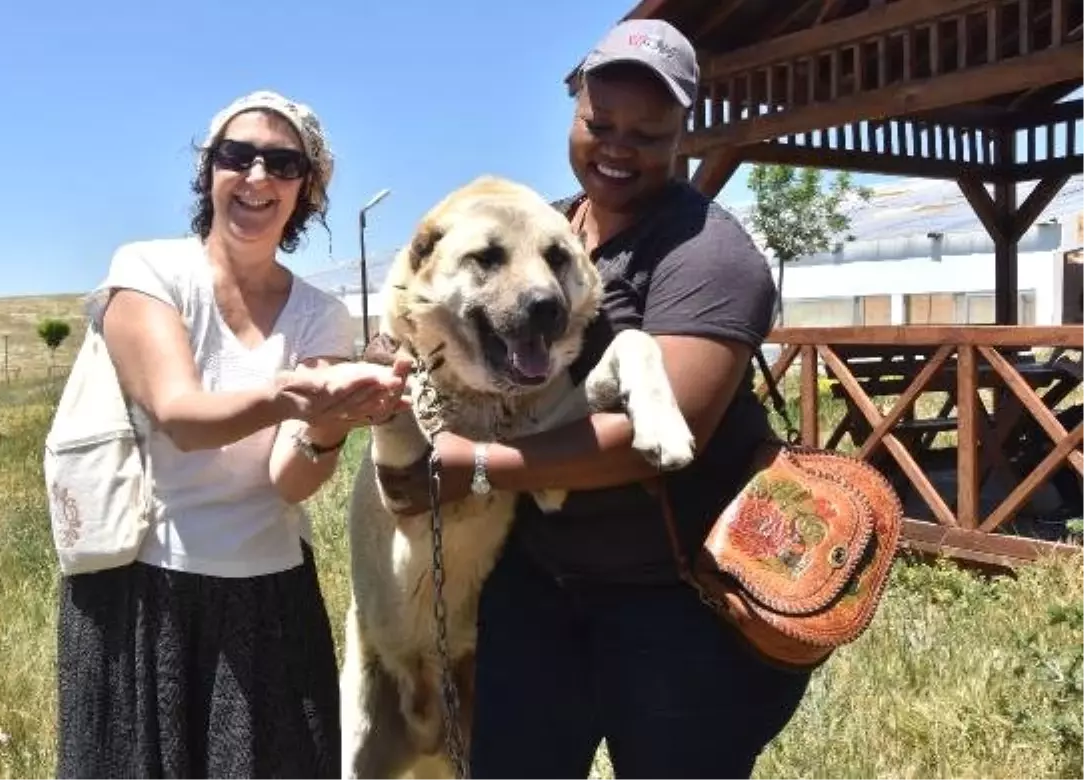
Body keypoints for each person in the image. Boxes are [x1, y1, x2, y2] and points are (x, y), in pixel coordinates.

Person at [376, 20, 811, 780]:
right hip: (535, 592)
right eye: (600, 123)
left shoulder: (708, 255)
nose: (618, 147)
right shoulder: (543, 229)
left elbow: (664, 440)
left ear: (684, 133)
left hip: (672, 605)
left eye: (648, 133)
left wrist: (476, 465)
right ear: (574, 110)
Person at [55, 90, 411, 779]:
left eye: (282, 163)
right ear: (209, 172)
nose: (256, 177)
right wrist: (297, 393)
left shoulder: (322, 316)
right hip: (141, 593)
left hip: (269, 598)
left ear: (307, 191)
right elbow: (181, 415)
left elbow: (290, 477)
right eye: (236, 156)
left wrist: (333, 422)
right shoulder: (149, 271)